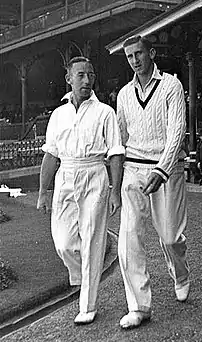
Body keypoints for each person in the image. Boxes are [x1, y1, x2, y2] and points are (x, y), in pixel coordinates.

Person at [37, 56, 124, 325]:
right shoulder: (59, 114)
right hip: (65, 176)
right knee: (63, 242)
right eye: (81, 75)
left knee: (92, 239)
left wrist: (115, 190)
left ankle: (88, 305)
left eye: (90, 75)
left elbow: (116, 153)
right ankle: (83, 276)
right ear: (69, 79)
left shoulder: (104, 112)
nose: (86, 80)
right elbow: (51, 155)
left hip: (94, 174)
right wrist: (42, 191)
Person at [116, 35, 190, 329]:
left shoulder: (171, 85)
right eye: (129, 57)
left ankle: (180, 272)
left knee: (170, 235)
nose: (135, 61)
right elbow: (120, 137)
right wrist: (115, 176)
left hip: (166, 169)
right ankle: (139, 306)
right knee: (129, 238)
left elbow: (177, 131)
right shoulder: (123, 94)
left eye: (139, 54)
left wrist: (161, 170)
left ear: (151, 53)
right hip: (133, 169)